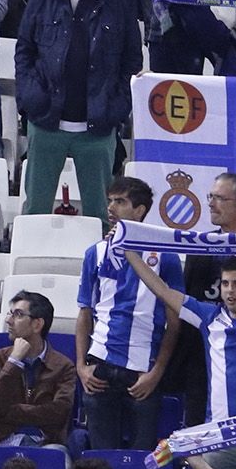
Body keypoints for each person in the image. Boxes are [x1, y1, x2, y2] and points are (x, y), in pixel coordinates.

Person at [16, 0, 143, 219]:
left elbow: (131, 62)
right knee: (35, 206)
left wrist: (117, 108)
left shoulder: (120, 1)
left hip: (97, 124)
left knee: (101, 211)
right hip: (46, 119)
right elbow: (24, 50)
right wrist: (30, 97)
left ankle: (101, 263)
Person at [76, 177, 182, 453]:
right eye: (110, 200)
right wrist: (81, 367)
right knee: (101, 457)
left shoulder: (166, 256)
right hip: (99, 366)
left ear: (140, 210)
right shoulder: (95, 253)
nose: (111, 207)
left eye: (120, 201)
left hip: (142, 371)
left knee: (143, 458)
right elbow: (84, 312)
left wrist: (157, 372)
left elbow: (174, 321)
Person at [0, 291, 76, 446]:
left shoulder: (64, 366)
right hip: (1, 441)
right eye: (10, 314)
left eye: (18, 314)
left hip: (46, 442)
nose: (8, 320)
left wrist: (9, 412)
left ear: (37, 324)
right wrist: (13, 362)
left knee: (61, 460)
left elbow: (59, 412)